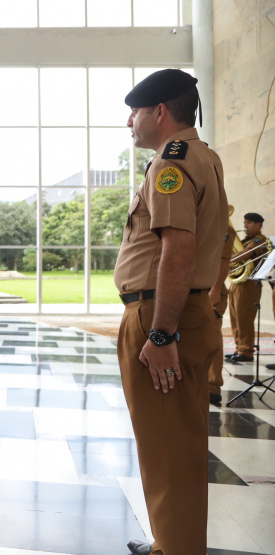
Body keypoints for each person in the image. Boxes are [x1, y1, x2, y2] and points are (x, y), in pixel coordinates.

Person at [114, 69, 226, 555]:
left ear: (159, 112)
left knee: (166, 451)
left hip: (163, 315)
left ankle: (176, 550)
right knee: (177, 444)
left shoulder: (171, 162)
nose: (130, 123)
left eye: (134, 112)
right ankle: (171, 542)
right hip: (188, 311)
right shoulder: (206, 156)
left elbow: (177, 252)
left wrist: (160, 336)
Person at [226, 213, 267, 363]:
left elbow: (246, 254)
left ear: (258, 224)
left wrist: (226, 261)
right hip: (237, 282)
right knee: (235, 318)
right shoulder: (245, 240)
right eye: (244, 222)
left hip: (249, 284)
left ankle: (246, 351)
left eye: (248, 222)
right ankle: (239, 349)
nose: (244, 226)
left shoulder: (260, 239)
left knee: (244, 319)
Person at [208, 210, 238, 407]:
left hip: (210, 289)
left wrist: (216, 289)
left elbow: (223, 261)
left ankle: (213, 387)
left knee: (212, 339)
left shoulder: (224, 228)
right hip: (191, 289)